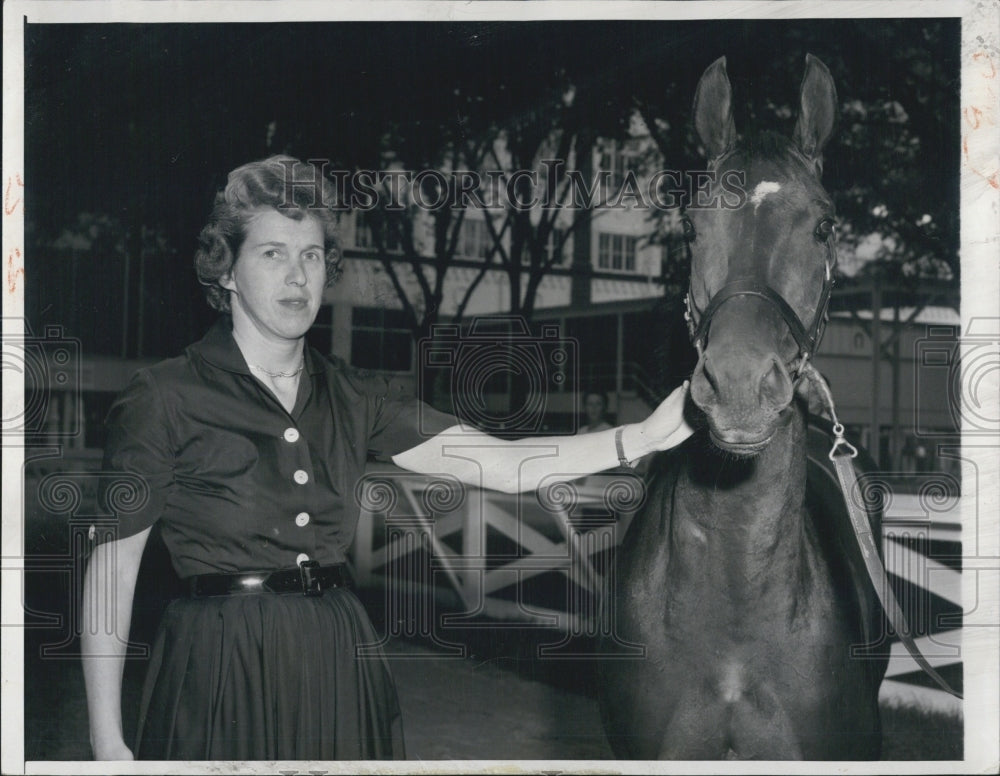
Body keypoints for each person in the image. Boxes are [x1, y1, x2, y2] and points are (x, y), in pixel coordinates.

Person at [81, 155, 694, 761]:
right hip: (218, 664)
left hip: (336, 658)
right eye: (273, 254)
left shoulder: (355, 394)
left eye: (312, 255)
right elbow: (112, 571)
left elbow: (504, 463)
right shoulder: (163, 397)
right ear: (228, 272)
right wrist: (107, 740)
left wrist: (640, 437)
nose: (298, 275)